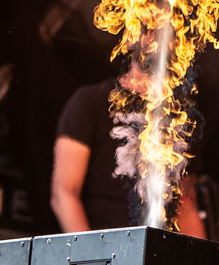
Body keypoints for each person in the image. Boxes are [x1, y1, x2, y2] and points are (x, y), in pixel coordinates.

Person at [52, 76, 207, 235]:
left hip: (158, 250)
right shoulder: (91, 101)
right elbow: (64, 193)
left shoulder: (181, 117)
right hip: (105, 247)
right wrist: (88, 255)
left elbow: (185, 205)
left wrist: (200, 258)